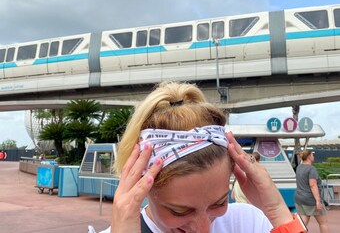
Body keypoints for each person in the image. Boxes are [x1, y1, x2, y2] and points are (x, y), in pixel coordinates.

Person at [90, 81, 307, 233]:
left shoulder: (249, 223)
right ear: (142, 184)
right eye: (179, 211)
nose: (204, 229)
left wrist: (277, 211)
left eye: (220, 203)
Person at [295, 150, 329, 233]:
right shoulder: (311, 169)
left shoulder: (299, 167)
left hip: (300, 198)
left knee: (303, 223)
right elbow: (313, 185)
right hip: (311, 199)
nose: (314, 157)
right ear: (309, 156)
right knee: (323, 223)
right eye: (313, 155)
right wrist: (318, 201)